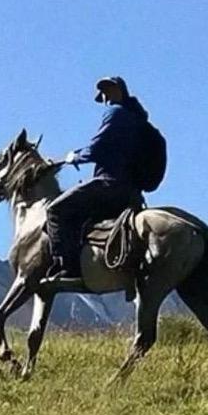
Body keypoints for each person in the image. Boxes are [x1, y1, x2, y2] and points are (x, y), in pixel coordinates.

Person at [45, 76, 149, 282]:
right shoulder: (137, 119)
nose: (105, 97)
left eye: (107, 90)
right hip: (132, 190)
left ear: (119, 91)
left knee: (55, 210)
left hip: (110, 183)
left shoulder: (115, 113)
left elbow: (96, 148)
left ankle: (69, 269)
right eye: (103, 94)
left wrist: (73, 157)